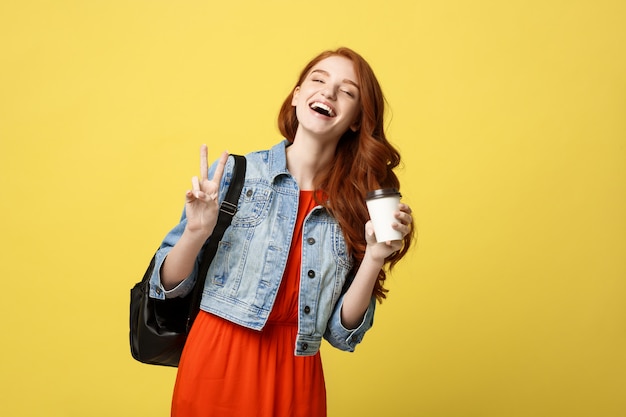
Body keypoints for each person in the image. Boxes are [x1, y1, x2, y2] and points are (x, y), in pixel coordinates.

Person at [148, 47, 415, 417]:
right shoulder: (237, 175)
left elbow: (341, 332)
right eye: (318, 81)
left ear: (356, 120)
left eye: (347, 91)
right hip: (217, 363)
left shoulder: (358, 208)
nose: (328, 93)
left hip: (296, 375)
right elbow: (165, 285)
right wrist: (195, 231)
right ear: (297, 96)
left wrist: (374, 256)